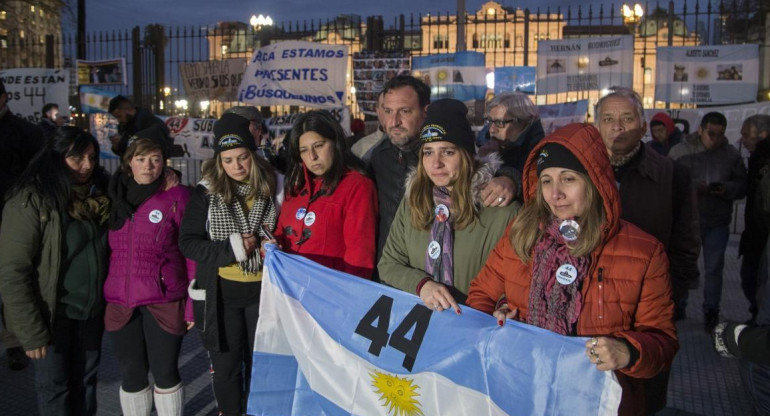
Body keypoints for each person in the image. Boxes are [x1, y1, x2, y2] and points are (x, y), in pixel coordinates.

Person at [467, 123, 678, 416]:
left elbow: (663, 343)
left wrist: (627, 351)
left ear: (594, 181)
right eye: (546, 181)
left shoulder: (643, 251)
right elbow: (481, 294)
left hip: (597, 402)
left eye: (568, 179)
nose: (555, 194)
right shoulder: (521, 232)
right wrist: (498, 315)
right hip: (520, 391)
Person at [593, 88, 698, 413]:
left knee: (640, 397)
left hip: (646, 310)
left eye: (627, 118)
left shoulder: (672, 174)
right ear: (596, 125)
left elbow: (686, 244)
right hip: (588, 308)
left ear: (643, 124)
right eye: (608, 119)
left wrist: (668, 294)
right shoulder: (579, 172)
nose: (617, 127)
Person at [0, 127, 111, 415]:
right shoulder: (32, 200)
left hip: (89, 313)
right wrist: (31, 332)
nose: (86, 165)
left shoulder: (100, 192)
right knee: (55, 389)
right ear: (56, 158)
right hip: (51, 316)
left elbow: (138, 186)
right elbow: (12, 271)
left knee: (86, 384)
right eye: (77, 158)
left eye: (91, 157)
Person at [179, 113, 278, 416]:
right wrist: (231, 248)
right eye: (228, 160)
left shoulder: (273, 184)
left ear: (253, 154)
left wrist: (272, 244)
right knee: (226, 370)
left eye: (242, 158)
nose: (236, 166)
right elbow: (188, 241)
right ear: (218, 160)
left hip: (263, 295)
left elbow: (283, 229)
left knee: (260, 367)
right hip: (222, 294)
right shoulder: (206, 192)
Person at [378, 98, 519, 309]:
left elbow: (516, 280)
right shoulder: (413, 201)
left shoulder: (502, 208)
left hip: (475, 329)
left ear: (468, 156)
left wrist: (504, 305)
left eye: (447, 152)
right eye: (428, 152)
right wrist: (421, 285)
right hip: (422, 329)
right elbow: (388, 264)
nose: (436, 163)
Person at [369, 75, 515, 261]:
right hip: (394, 276)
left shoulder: (453, 157)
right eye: (388, 111)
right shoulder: (376, 156)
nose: (394, 121)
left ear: (425, 111)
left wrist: (509, 177)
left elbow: (477, 169)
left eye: (404, 111)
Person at [103, 125, 193, 416]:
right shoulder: (113, 194)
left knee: (165, 372)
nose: (148, 165)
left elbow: (191, 254)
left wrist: (192, 306)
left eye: (154, 158)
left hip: (164, 299)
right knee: (131, 374)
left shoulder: (177, 196)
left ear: (164, 161)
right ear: (129, 161)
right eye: (140, 158)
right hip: (120, 302)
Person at [669, 111, 747, 332]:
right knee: (684, 264)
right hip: (686, 221)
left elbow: (742, 185)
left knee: (714, 269)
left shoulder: (730, 155)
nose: (715, 139)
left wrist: (726, 188)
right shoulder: (680, 151)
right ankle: (679, 305)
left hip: (716, 221)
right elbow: (668, 182)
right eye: (711, 133)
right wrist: (694, 186)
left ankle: (711, 311)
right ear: (700, 130)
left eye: (720, 134)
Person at [276, 110, 378, 278]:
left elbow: (360, 256)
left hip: (329, 293)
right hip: (291, 289)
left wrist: (348, 297)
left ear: (335, 143)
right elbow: (281, 232)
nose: (312, 157)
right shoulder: (295, 185)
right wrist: (271, 245)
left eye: (319, 146)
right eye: (304, 150)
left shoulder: (357, 186)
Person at [0, 78, 45, 371]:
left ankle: (15, 341)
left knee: (12, 279)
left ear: (4, 98)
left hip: (12, 218)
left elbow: (42, 172)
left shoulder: (25, 133)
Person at [478, 91, 545, 201]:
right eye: (490, 122)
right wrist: (483, 161)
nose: (492, 130)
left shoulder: (540, 153)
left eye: (500, 123)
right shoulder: (494, 147)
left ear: (523, 122)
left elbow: (532, 182)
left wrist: (511, 179)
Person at [739, 114, 770, 323]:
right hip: (756, 233)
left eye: (745, 134)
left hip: (762, 235)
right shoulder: (758, 157)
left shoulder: (764, 160)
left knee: (755, 279)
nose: (742, 139)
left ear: (762, 135)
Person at [351, 91, 386, 163]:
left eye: (404, 110)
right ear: (378, 111)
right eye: (387, 109)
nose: (394, 116)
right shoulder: (359, 149)